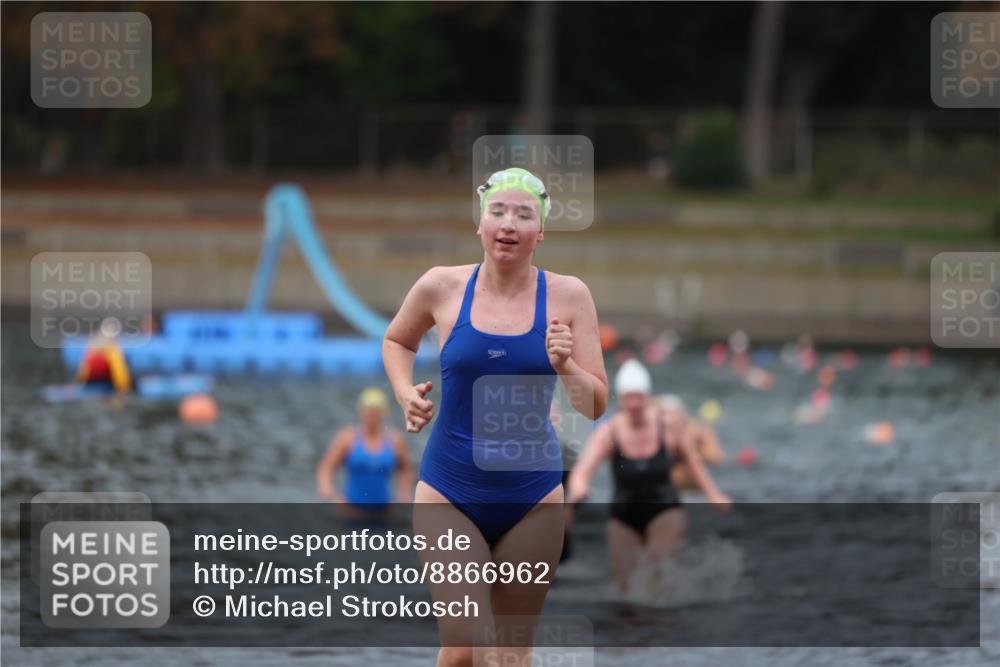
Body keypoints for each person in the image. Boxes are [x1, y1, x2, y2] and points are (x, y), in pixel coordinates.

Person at [382, 167, 608, 666]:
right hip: (449, 490)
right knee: (464, 648)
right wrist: (403, 393)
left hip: (533, 500)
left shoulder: (570, 296)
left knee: (507, 655)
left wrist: (565, 365)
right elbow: (398, 339)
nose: (508, 223)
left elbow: (593, 405)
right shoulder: (441, 286)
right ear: (479, 225)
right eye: (497, 212)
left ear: (540, 232)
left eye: (523, 214)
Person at [567, 359, 731, 596]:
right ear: (621, 399)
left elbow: (693, 462)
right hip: (623, 514)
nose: (633, 404)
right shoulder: (609, 432)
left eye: (638, 397)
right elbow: (584, 468)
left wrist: (713, 494)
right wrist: (579, 490)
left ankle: (661, 623)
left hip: (665, 509)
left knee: (656, 572)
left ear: (647, 396)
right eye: (627, 398)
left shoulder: (667, 427)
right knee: (625, 588)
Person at [316, 387, 414, 520]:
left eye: (376, 412)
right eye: (369, 412)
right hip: (351, 510)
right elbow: (326, 466)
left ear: (385, 413)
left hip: (384, 512)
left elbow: (405, 470)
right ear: (361, 412)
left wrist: (404, 496)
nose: (372, 417)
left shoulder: (395, 440)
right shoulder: (347, 438)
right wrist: (329, 492)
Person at [655, 394, 728, 490]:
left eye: (672, 414)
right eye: (664, 414)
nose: (669, 419)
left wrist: (688, 448)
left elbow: (717, 458)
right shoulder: (654, 433)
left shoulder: (697, 431)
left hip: (694, 485)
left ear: (681, 415)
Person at [76, 317, 132, 395]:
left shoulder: (92, 345)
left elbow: (83, 370)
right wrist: (124, 388)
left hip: (88, 385)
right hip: (106, 386)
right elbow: (119, 372)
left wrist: (80, 384)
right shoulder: (112, 348)